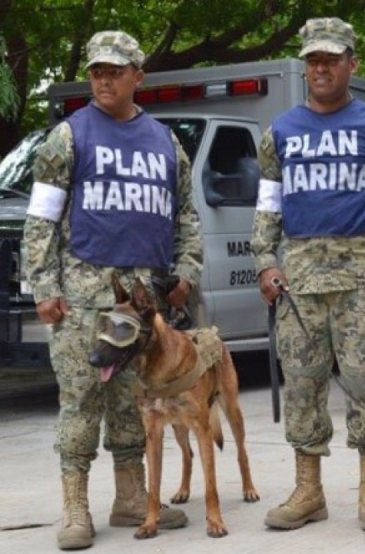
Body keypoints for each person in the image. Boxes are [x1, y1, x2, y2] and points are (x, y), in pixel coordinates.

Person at [23, 30, 202, 550]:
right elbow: (41, 222)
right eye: (96, 71)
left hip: (142, 303)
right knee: (81, 402)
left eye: (114, 71)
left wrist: (185, 270)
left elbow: (186, 214)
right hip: (81, 298)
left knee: (134, 402)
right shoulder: (68, 137)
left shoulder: (165, 142)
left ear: (137, 78)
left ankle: (131, 499)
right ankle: (75, 507)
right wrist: (44, 287)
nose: (103, 79)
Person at [251, 17, 365, 532]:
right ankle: (308, 491)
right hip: (299, 283)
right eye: (313, 60)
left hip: (363, 278)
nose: (320, 68)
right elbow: (268, 206)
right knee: (302, 386)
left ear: (352, 63)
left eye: (330, 58)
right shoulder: (279, 132)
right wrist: (265, 261)